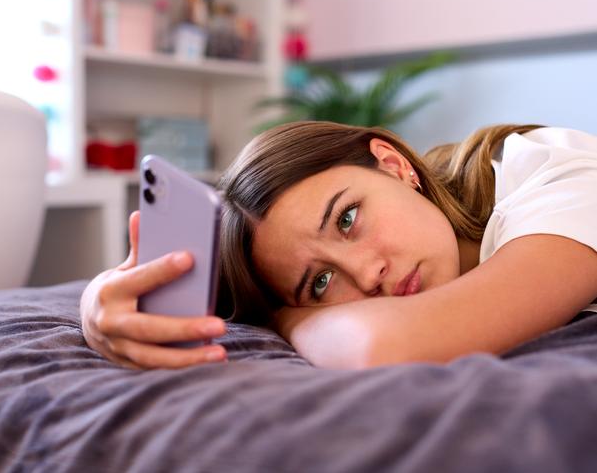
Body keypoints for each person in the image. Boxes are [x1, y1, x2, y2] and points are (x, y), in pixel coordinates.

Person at [80, 121, 597, 370]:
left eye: (347, 218)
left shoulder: (554, 176)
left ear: (395, 166)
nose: (367, 274)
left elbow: (383, 347)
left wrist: (290, 315)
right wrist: (92, 304)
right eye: (321, 282)